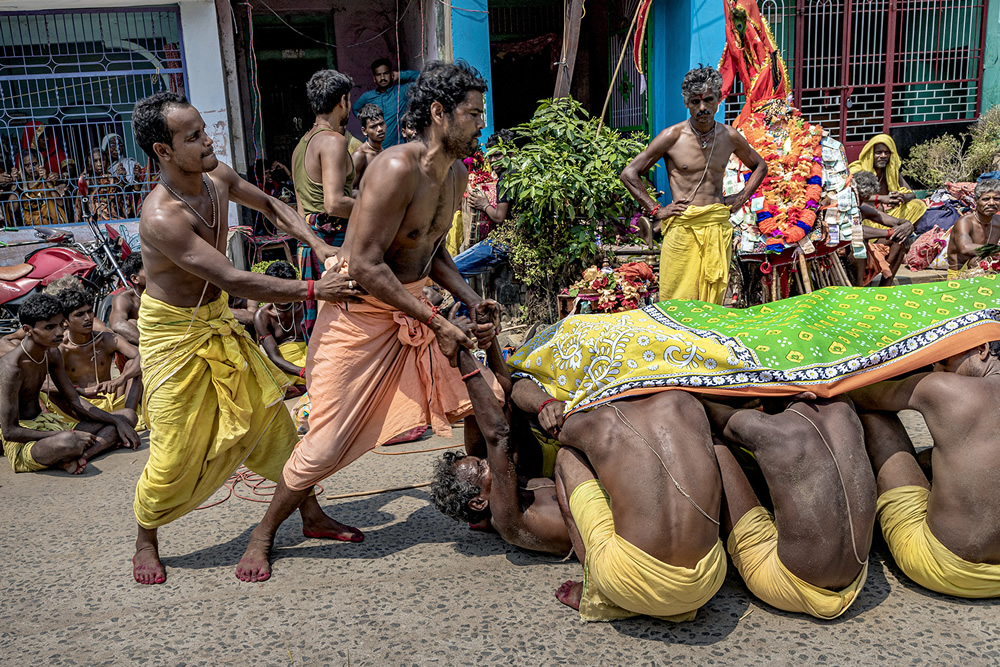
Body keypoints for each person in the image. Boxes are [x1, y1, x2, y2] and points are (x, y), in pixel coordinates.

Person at [235, 61, 503, 583]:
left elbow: (430, 247)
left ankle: (488, 504)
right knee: (327, 442)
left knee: (480, 400)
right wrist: (437, 320)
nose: (482, 123)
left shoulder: (456, 172)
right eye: (473, 114)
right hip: (360, 318)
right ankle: (264, 532)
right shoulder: (394, 168)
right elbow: (364, 265)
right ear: (438, 113)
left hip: (415, 307)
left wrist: (470, 298)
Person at [128, 90, 364, 585]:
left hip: (214, 317)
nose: (206, 139)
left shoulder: (215, 175)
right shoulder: (161, 217)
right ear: (163, 152)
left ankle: (310, 515)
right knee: (173, 451)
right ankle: (145, 538)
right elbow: (234, 279)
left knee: (273, 425)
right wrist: (315, 288)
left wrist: (319, 244)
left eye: (203, 128)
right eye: (192, 136)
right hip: (173, 336)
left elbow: (273, 206)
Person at [516, 384, 726, 622]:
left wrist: (547, 405)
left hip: (626, 584)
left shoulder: (602, 421)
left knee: (567, 456)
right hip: (706, 583)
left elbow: (541, 411)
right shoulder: (687, 403)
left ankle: (597, 593)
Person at [702, 396, 876, 619]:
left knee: (711, 442)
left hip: (788, 581)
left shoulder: (766, 430)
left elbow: (709, 411)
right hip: (855, 576)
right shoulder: (845, 410)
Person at [849, 341, 1000, 597]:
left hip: (945, 569)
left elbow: (859, 394)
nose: (937, 369)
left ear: (982, 349)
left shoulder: (940, 387)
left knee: (874, 416)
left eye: (943, 360)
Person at [620, 66, 767, 304]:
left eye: (708, 100)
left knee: (713, 299)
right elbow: (629, 173)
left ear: (719, 99)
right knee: (676, 298)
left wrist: (740, 198)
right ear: (686, 103)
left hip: (716, 227)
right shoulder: (672, 136)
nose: (702, 108)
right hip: (682, 228)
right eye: (695, 101)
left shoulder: (729, 137)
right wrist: (657, 209)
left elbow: (760, 166)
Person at [431, 343, 571, 555]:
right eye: (480, 467)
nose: (486, 460)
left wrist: (488, 341)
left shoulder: (513, 488)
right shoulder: (506, 518)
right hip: (610, 539)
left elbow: (502, 397)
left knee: (514, 392)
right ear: (478, 503)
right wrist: (461, 355)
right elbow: (497, 434)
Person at [0, 293, 140, 475]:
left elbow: (74, 400)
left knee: (127, 417)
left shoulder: (51, 353)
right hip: (25, 441)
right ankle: (74, 450)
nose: (59, 332)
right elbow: (10, 432)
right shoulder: (11, 368)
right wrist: (63, 436)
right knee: (68, 442)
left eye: (60, 325)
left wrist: (116, 421)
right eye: (50, 327)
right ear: (27, 330)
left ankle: (79, 458)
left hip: (53, 426)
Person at [292, 69, 357, 338]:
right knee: (343, 327)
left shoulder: (302, 145)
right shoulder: (334, 141)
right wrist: (382, 208)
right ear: (343, 100)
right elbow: (334, 204)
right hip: (333, 244)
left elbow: (300, 211)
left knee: (324, 327)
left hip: (310, 244)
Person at [44, 288, 143, 421]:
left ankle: (128, 417)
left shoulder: (107, 339)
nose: (88, 318)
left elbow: (142, 357)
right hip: (80, 407)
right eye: (79, 314)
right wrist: (80, 391)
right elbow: (42, 382)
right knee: (49, 391)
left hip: (111, 399)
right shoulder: (59, 348)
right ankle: (86, 423)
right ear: (65, 321)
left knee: (134, 364)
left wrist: (121, 379)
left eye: (90, 311)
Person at [849, 134, 927, 231]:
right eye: (878, 152)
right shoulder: (856, 170)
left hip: (887, 216)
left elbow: (912, 194)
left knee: (918, 205)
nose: (883, 156)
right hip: (867, 217)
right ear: (870, 154)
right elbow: (850, 195)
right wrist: (880, 199)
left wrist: (902, 197)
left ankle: (903, 233)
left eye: (887, 152)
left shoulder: (891, 171)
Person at [851, 170, 915, 286]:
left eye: (863, 199)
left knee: (900, 238)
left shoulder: (862, 208)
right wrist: (889, 232)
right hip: (846, 254)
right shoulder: (841, 207)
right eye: (858, 198)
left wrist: (907, 226)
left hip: (866, 252)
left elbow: (899, 222)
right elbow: (856, 230)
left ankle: (885, 286)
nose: (859, 202)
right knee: (860, 243)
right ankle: (858, 287)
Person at [253, 261, 307, 397]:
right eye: (278, 288)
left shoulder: (306, 305)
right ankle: (304, 385)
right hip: (285, 366)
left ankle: (301, 387)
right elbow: (274, 357)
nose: (283, 293)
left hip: (310, 357)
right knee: (264, 382)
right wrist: (302, 372)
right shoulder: (262, 315)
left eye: (287, 288)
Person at [353, 58, 420, 148]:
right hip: (374, 149)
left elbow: (422, 78)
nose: (382, 78)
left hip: (396, 148)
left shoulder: (401, 91)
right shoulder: (367, 96)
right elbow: (355, 108)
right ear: (374, 78)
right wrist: (367, 122)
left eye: (386, 73)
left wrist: (400, 75)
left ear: (391, 74)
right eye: (378, 75)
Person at [947, 179, 1000, 278]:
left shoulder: (998, 221)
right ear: (976, 201)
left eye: (996, 199)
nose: (992, 203)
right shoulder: (965, 222)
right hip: (960, 276)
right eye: (986, 199)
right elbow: (965, 248)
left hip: (987, 272)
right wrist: (996, 249)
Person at [468, 129, 514, 228]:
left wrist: (484, 205)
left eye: (497, 155)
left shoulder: (506, 178)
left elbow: (499, 218)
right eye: (490, 156)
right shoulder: (519, 169)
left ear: (510, 154)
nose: (492, 160)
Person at [15, 149, 67, 226]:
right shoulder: (22, 186)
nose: (31, 168)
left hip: (54, 224)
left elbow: (60, 202)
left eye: (34, 164)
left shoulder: (51, 178)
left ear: (41, 163)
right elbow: (13, 208)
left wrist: (46, 180)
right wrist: (14, 182)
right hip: (32, 227)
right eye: (26, 165)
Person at [109, 252, 145, 345]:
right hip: (144, 347)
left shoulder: (164, 292)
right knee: (132, 323)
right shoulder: (124, 299)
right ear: (135, 279)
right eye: (148, 270)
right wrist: (150, 345)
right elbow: (117, 324)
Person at [351, 103, 386, 188]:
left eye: (381, 124)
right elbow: (349, 190)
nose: (380, 129)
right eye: (373, 126)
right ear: (364, 131)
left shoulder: (384, 152)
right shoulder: (360, 155)